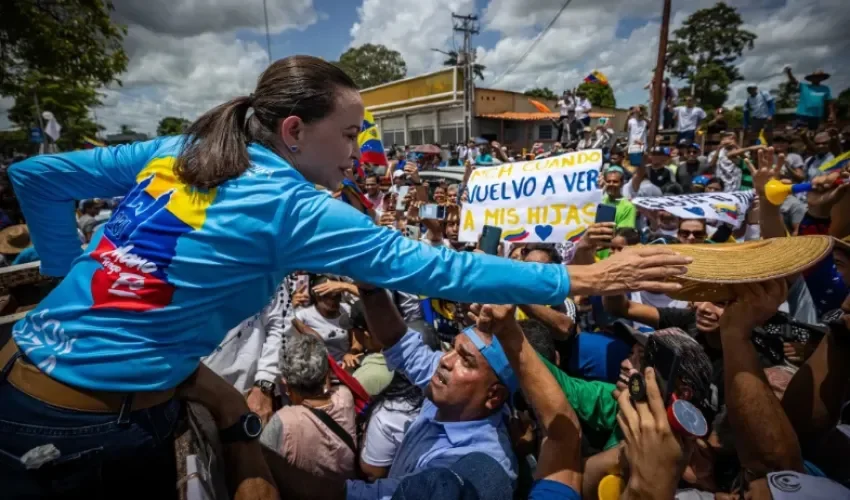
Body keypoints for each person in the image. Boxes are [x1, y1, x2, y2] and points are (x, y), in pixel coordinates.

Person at [0, 55, 691, 497]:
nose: (361, 149)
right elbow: (438, 268)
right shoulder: (292, 204)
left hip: (21, 376)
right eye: (352, 132)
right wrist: (583, 279)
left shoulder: (188, 149)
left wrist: (69, 289)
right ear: (295, 132)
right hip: (84, 435)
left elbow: (35, 179)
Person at [260, 334, 358, 482]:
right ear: (326, 377)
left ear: (286, 385)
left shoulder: (283, 422)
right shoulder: (344, 396)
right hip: (345, 490)